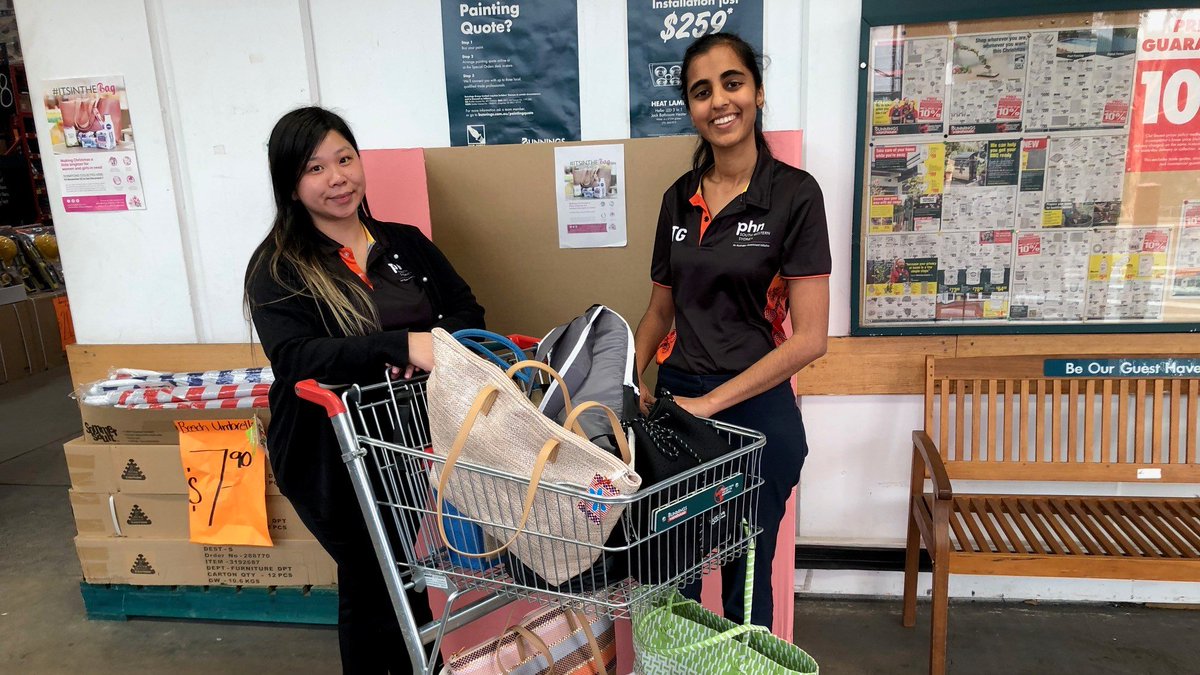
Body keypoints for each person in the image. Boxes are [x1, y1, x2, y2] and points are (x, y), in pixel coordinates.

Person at [244, 106, 485, 673]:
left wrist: (433, 344)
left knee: (400, 574)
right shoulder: (278, 266)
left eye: (345, 159)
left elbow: (467, 310)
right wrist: (398, 348)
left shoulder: (405, 244)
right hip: (327, 451)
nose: (337, 178)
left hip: (404, 437)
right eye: (315, 168)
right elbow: (294, 357)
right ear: (291, 184)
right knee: (373, 580)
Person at [633, 33, 830, 629]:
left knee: (746, 576)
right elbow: (659, 313)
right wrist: (627, 379)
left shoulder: (795, 195)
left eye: (732, 82)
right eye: (701, 91)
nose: (718, 100)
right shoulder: (679, 200)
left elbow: (810, 338)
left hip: (754, 412)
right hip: (677, 413)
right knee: (674, 580)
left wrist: (711, 403)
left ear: (758, 93)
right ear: (691, 109)